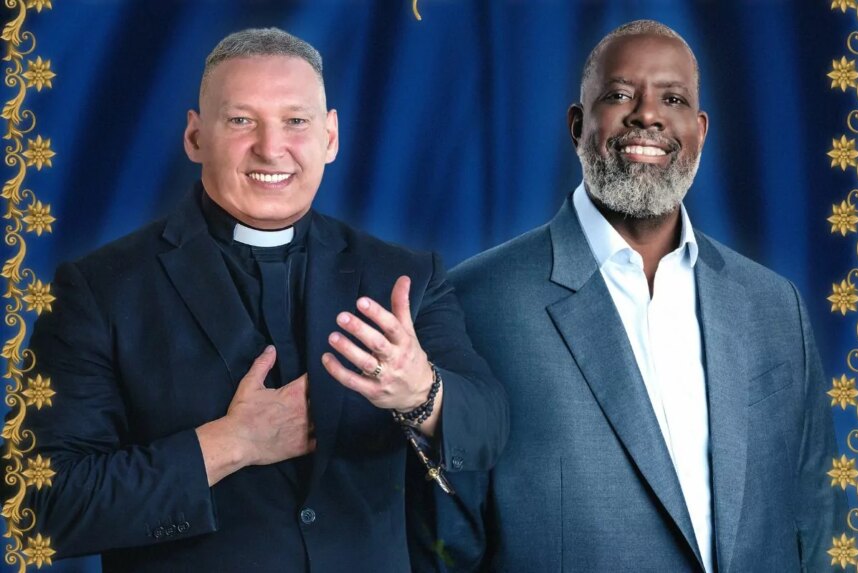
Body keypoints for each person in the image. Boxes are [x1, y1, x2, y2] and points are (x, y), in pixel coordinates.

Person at [21, 28, 508, 572]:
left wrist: (422, 392)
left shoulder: (404, 277)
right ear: (195, 137)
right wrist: (232, 443)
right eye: (240, 120)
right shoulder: (100, 289)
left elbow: (489, 427)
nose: (271, 148)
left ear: (330, 137)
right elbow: (42, 505)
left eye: (295, 121)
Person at [433, 19, 841, 572]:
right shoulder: (477, 303)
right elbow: (446, 540)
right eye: (620, 95)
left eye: (672, 99)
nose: (648, 115)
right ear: (577, 125)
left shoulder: (774, 306)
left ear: (699, 131)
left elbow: (816, 518)